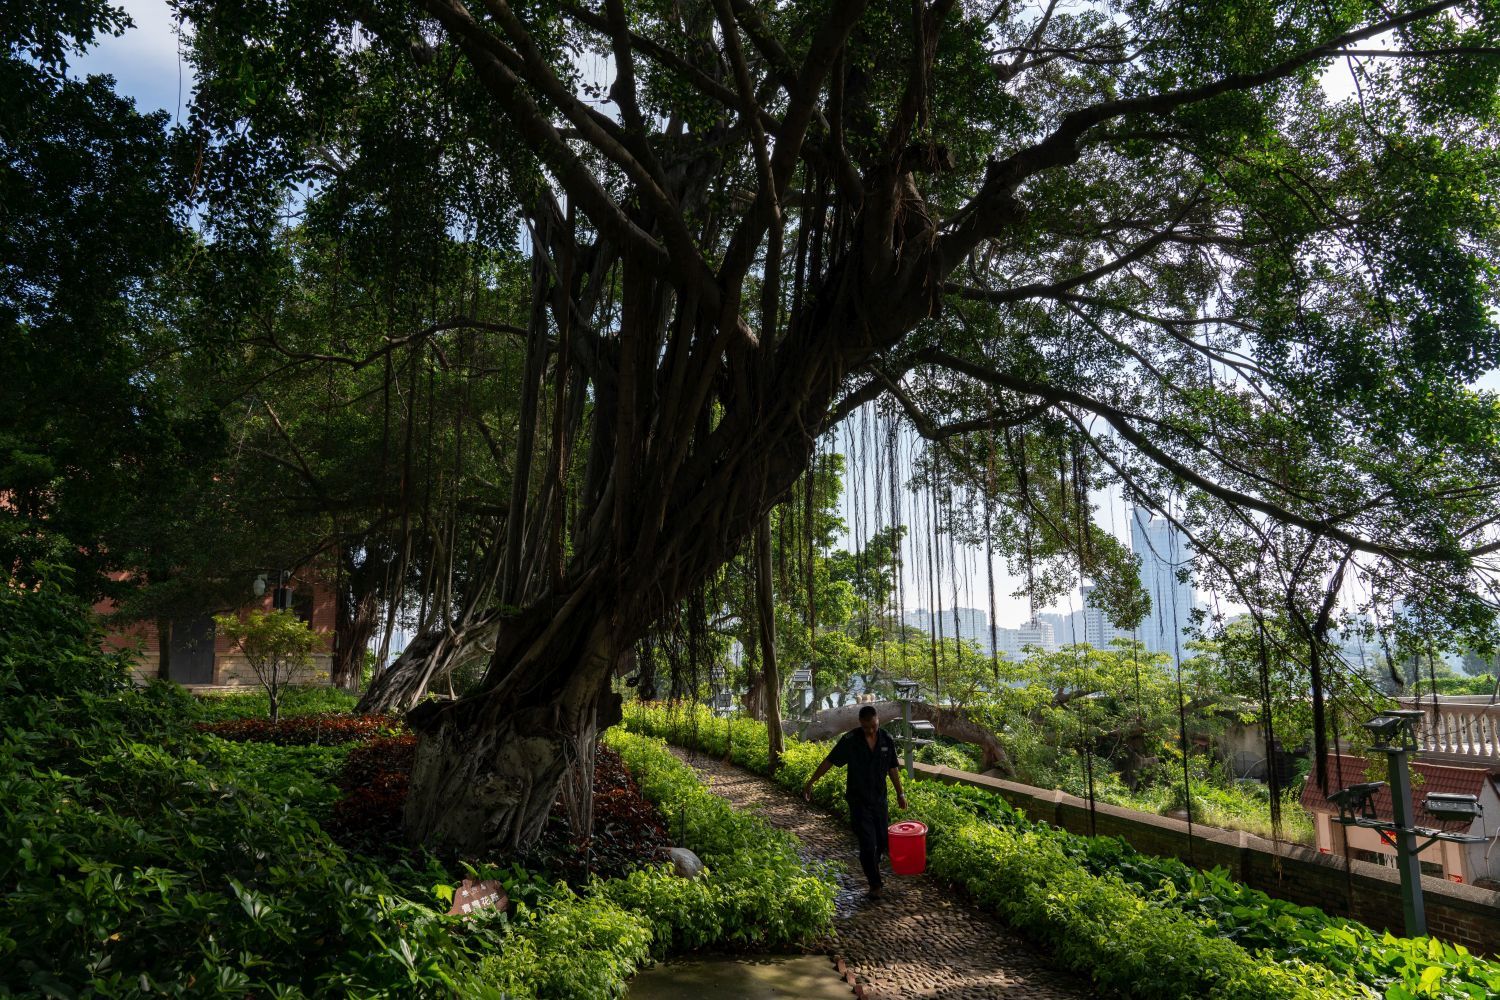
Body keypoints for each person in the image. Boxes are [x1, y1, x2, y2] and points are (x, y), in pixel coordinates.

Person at [802, 705, 907, 899]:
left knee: (882, 842)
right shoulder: (850, 740)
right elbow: (829, 761)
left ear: (878, 721)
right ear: (861, 723)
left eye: (874, 726)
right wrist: (811, 782)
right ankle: (875, 884)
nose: (871, 731)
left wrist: (900, 794)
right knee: (867, 843)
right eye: (867, 727)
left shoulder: (887, 740)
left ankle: (873, 865)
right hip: (858, 800)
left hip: (879, 800)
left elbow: (893, 768)